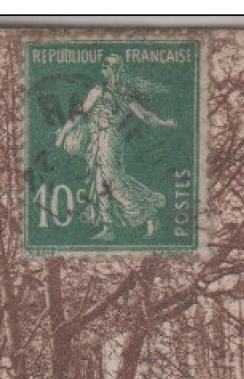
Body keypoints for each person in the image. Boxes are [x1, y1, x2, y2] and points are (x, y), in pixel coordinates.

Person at [55, 53, 176, 241]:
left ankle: (147, 213)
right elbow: (80, 113)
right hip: (96, 139)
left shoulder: (125, 95)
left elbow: (145, 116)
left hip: (109, 138)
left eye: (108, 65)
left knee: (112, 181)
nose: (103, 67)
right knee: (99, 181)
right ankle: (108, 227)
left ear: (116, 70)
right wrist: (63, 133)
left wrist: (163, 123)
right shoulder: (98, 90)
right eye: (103, 64)